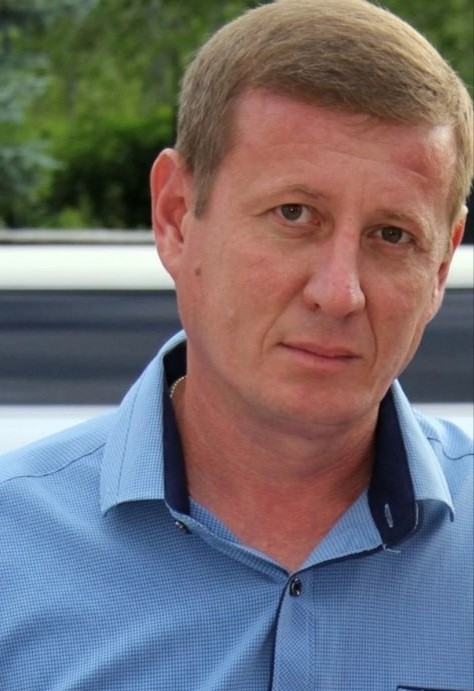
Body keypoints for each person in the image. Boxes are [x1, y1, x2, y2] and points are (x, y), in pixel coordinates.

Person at [1, 0, 472, 688]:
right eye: (294, 214)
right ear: (175, 217)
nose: (339, 292)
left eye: (392, 235)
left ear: (441, 266)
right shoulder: (12, 552)